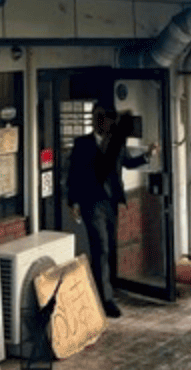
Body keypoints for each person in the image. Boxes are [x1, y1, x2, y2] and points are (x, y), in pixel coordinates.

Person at [65, 106, 156, 318]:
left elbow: (128, 162)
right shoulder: (82, 144)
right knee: (102, 248)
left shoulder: (116, 142)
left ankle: (105, 290)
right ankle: (106, 300)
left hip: (111, 203)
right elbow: (73, 174)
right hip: (91, 203)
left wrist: (147, 155)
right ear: (98, 121)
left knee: (108, 248)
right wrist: (74, 202)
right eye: (105, 120)